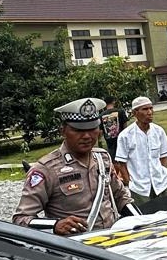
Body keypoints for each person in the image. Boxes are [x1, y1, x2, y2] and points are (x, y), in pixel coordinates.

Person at [12, 97, 132, 235]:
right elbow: (20, 218)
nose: (87, 136)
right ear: (62, 131)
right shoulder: (46, 169)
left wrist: (142, 220)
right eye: (78, 130)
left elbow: (121, 198)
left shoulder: (103, 158)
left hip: (111, 240)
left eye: (92, 129)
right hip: (74, 245)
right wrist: (55, 225)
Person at [114, 96, 167, 208]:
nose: (149, 112)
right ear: (135, 113)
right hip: (139, 187)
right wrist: (129, 182)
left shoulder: (158, 131)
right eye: (145, 109)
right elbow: (121, 163)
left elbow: (163, 156)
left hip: (161, 183)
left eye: (151, 108)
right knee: (145, 215)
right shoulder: (125, 135)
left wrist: (164, 173)